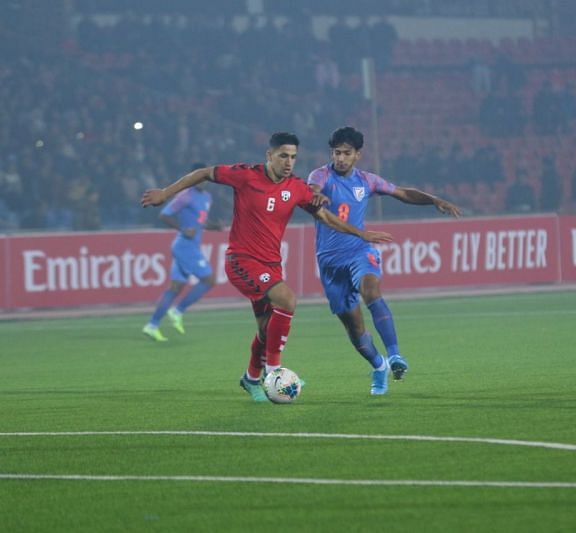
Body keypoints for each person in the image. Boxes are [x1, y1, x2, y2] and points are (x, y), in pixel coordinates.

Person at [141, 132, 393, 402]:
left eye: (294, 157)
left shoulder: (296, 188)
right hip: (241, 261)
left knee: (266, 330)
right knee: (287, 298)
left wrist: (360, 234)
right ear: (269, 155)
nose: (289, 162)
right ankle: (274, 372)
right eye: (283, 155)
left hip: (271, 264)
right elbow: (204, 173)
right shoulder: (246, 175)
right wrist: (165, 193)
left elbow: (325, 217)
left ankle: (251, 378)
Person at [307, 126, 461, 395]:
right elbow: (313, 189)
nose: (340, 158)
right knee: (355, 329)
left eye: (346, 153)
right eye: (336, 153)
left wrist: (433, 200)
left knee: (371, 289)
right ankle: (379, 366)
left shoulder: (367, 181)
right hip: (330, 264)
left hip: (359, 251)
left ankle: (395, 355)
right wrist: (316, 195)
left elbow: (402, 193)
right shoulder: (321, 175)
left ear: (358, 155)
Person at [142, 163, 222, 342]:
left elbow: (199, 221)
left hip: (190, 246)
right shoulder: (185, 196)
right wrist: (182, 229)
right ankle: (177, 311)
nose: (203, 180)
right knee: (209, 280)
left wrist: (212, 226)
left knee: (175, 287)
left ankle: (152, 325)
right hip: (185, 246)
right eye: (199, 176)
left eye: (205, 177)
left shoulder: (207, 197)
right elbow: (164, 214)